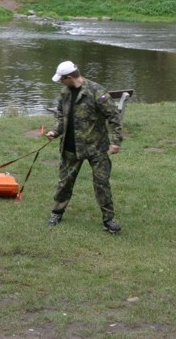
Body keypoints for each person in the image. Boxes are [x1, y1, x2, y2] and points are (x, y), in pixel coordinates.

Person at [45, 60, 124, 233]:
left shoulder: (97, 91)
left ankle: (109, 220)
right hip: (70, 147)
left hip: (97, 148)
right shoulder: (65, 93)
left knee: (101, 184)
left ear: (70, 77)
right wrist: (55, 132)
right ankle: (57, 212)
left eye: (61, 79)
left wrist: (116, 141)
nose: (60, 82)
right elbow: (60, 116)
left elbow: (113, 116)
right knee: (65, 182)